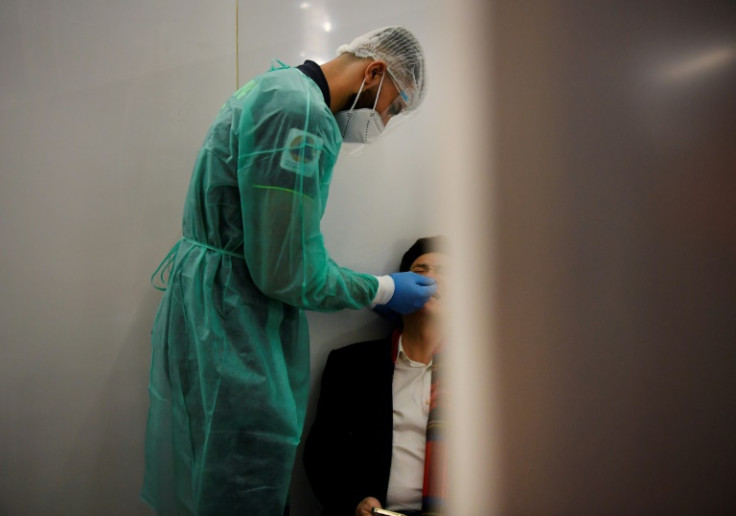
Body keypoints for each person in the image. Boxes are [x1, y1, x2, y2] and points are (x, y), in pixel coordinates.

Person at [141, 27, 434, 516]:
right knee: (240, 484)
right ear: (376, 71)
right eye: (394, 106)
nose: (383, 119)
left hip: (216, 313)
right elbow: (287, 270)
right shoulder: (298, 113)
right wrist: (383, 289)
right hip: (235, 331)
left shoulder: (273, 89)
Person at [304, 236, 449, 516]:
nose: (430, 278)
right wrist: (355, 502)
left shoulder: (483, 376)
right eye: (419, 271)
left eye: (443, 272)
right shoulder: (351, 365)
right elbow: (321, 454)